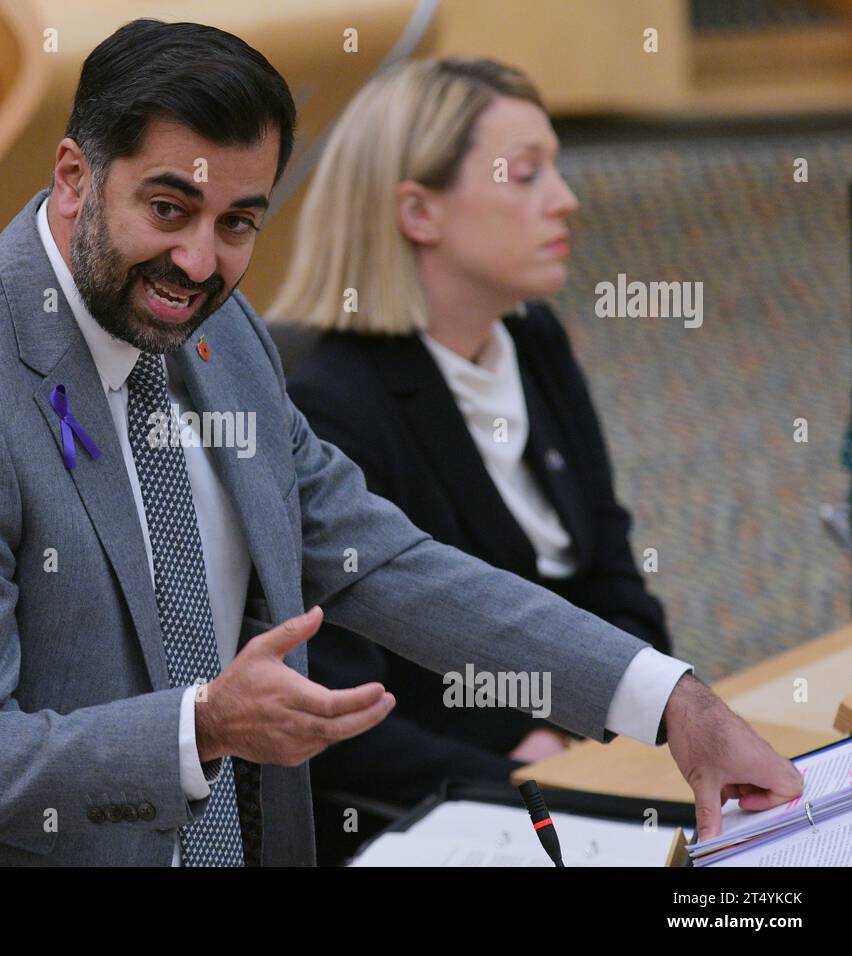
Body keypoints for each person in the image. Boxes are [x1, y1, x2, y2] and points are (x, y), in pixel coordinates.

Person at [0, 20, 802, 867]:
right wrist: (204, 725)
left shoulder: (219, 331)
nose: (198, 261)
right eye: (167, 209)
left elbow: (382, 557)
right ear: (73, 177)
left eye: (239, 221)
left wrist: (667, 699)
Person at [270, 57, 674, 860]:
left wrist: (574, 728)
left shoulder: (532, 339)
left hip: (582, 767)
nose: (566, 199)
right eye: (526, 176)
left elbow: (620, 590)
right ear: (418, 212)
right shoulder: (330, 405)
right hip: (439, 816)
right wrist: (535, 761)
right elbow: (344, 721)